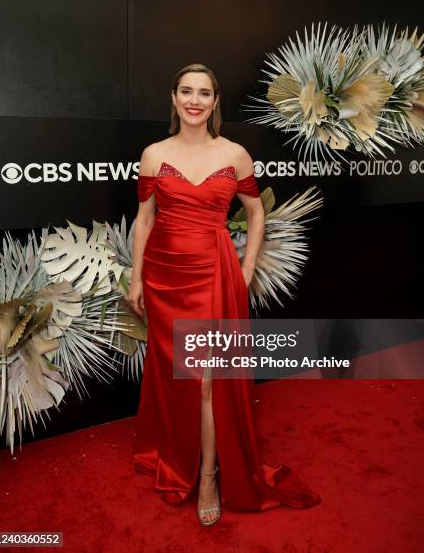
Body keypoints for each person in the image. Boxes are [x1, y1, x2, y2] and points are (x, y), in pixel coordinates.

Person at [128, 63, 321, 527]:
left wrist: (248, 264)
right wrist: (136, 278)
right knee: (178, 377)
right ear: (174, 98)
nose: (195, 100)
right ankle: (178, 456)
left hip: (215, 276)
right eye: (186, 92)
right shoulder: (153, 155)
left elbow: (256, 213)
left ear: (216, 103)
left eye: (205, 93)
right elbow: (145, 220)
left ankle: (210, 476)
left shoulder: (235, 154)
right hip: (165, 276)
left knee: (208, 379)